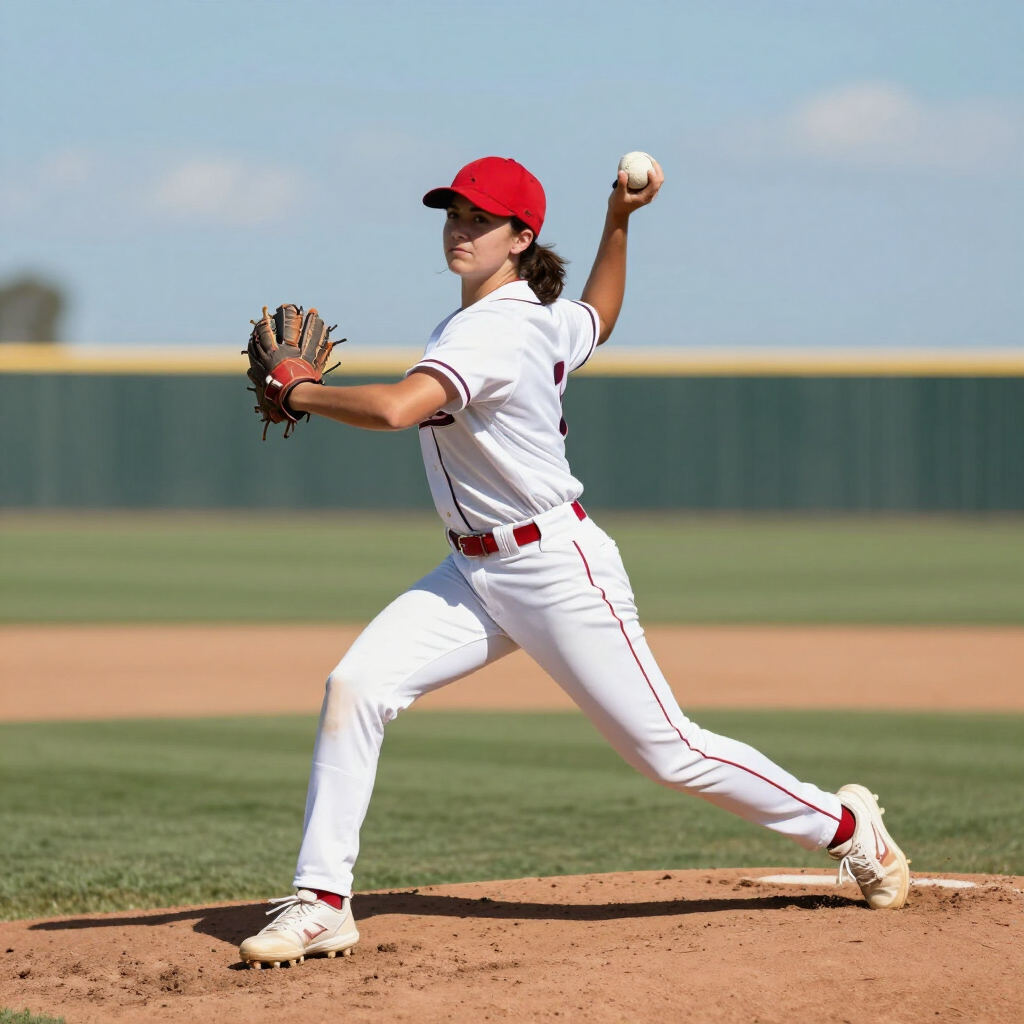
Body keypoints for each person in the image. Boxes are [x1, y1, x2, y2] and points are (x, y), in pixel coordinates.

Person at [238, 156, 910, 969]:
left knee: (668, 751)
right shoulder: (535, 314)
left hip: (557, 568)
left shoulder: (495, 329)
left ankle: (848, 827)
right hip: (475, 574)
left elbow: (395, 408)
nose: (459, 229)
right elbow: (600, 314)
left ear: (520, 238)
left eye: (479, 219)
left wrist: (298, 389)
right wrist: (619, 220)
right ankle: (323, 903)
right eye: (452, 213)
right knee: (357, 685)